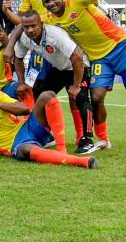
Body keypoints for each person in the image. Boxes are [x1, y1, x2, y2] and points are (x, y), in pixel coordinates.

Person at [39, 0, 126, 154]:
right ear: (43, 4)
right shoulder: (49, 19)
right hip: (98, 58)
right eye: (47, 2)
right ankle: (103, 139)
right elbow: (26, 23)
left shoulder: (77, 2)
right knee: (96, 97)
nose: (52, 3)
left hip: (120, 46)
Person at [0, 73, 97, 169]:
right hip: (16, 144)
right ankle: (81, 161)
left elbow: (24, 110)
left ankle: (61, 149)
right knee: (27, 150)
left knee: (48, 95)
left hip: (29, 127)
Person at [12, 11, 94, 154]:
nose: (30, 30)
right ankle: (47, 135)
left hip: (78, 66)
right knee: (40, 93)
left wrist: (76, 85)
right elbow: (18, 58)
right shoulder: (25, 38)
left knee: (80, 96)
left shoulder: (55, 35)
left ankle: (87, 139)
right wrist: (21, 82)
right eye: (26, 27)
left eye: (33, 26)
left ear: (41, 24)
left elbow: (77, 57)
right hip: (59, 68)